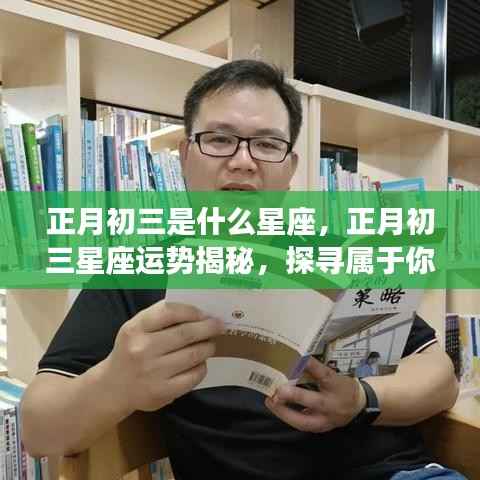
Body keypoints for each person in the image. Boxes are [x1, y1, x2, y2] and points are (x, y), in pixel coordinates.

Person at [20, 60, 465, 480]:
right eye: (219, 139)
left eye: (268, 145)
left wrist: (362, 399)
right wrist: (116, 382)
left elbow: (437, 373)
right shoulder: (136, 270)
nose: (243, 161)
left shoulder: (338, 255)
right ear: (185, 155)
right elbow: (38, 429)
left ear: (290, 168)